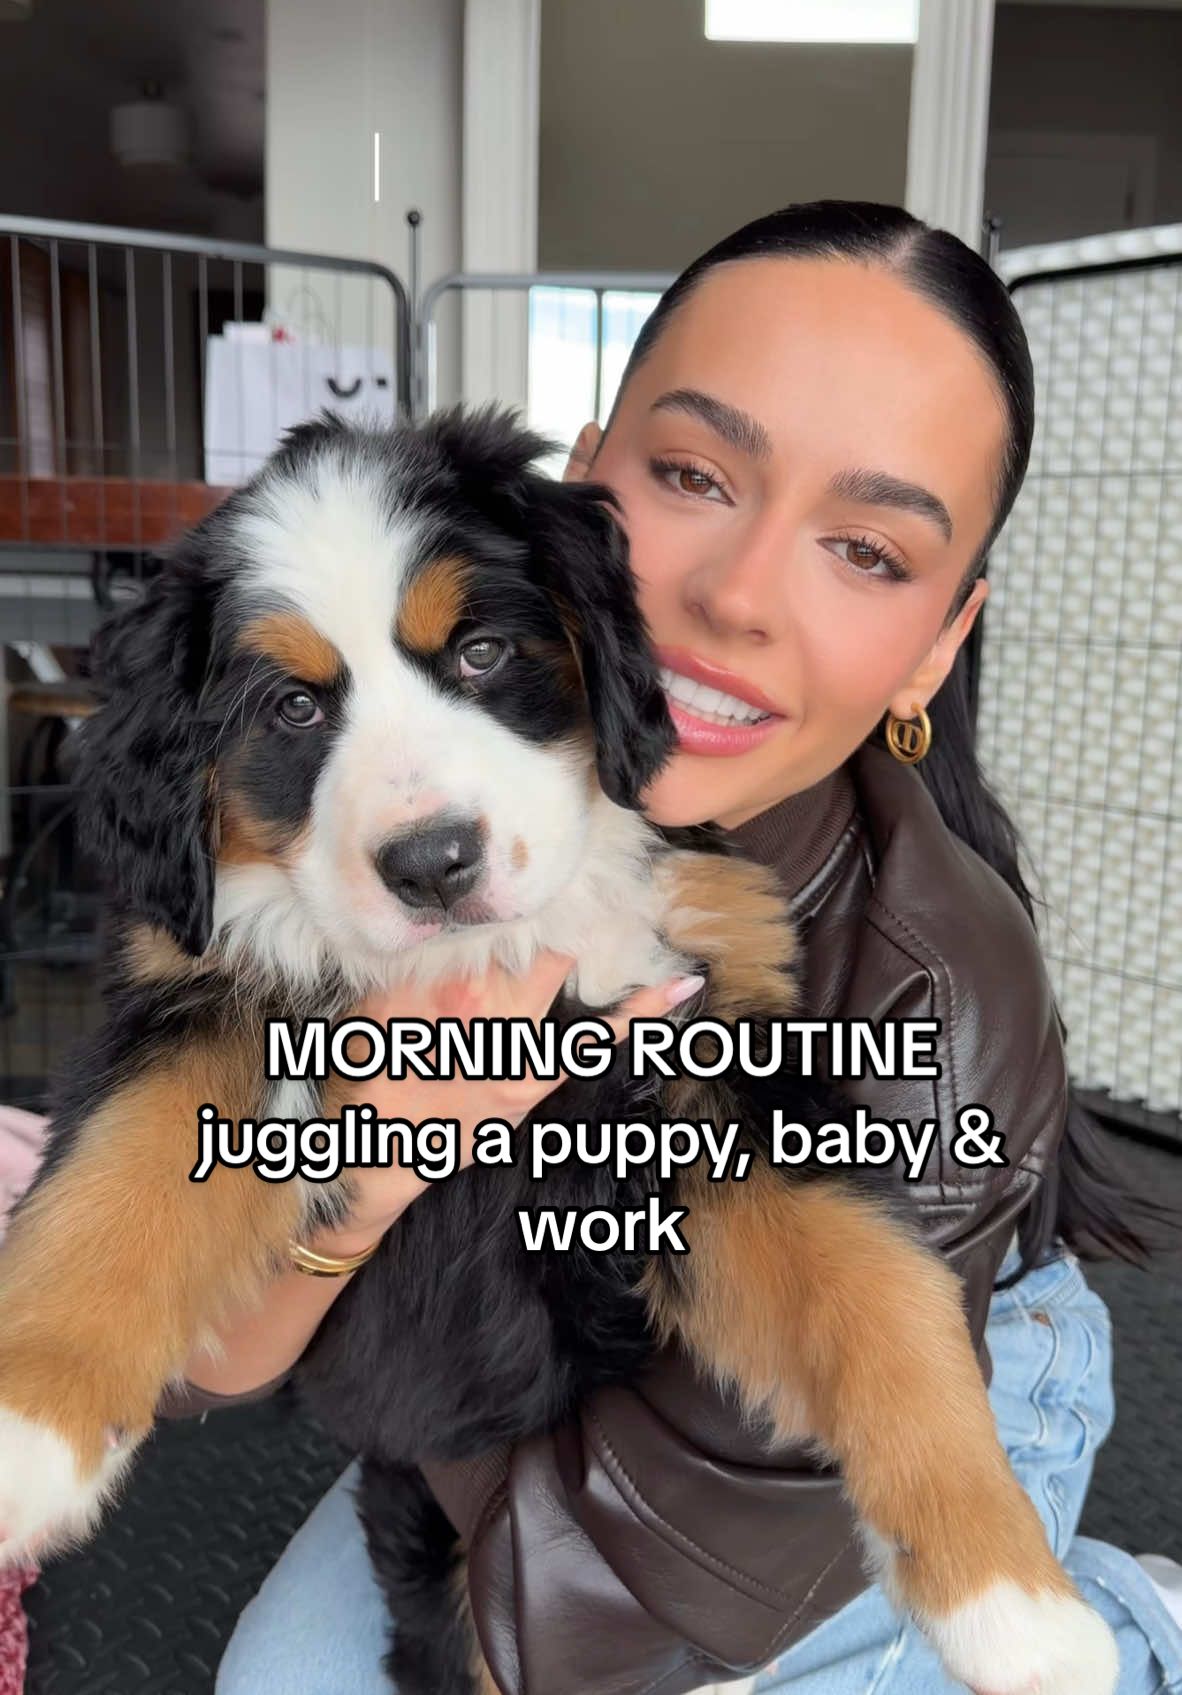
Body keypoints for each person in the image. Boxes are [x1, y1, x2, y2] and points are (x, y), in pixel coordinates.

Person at [155, 202, 1182, 1695]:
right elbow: (197, 1349)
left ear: (937, 645)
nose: (736, 597)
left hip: (886, 1370)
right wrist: (359, 1165)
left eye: (867, 550)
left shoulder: (936, 990)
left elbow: (674, 1586)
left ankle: (1138, 1632)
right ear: (575, 491)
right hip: (540, 1341)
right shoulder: (403, 813)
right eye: (695, 475)